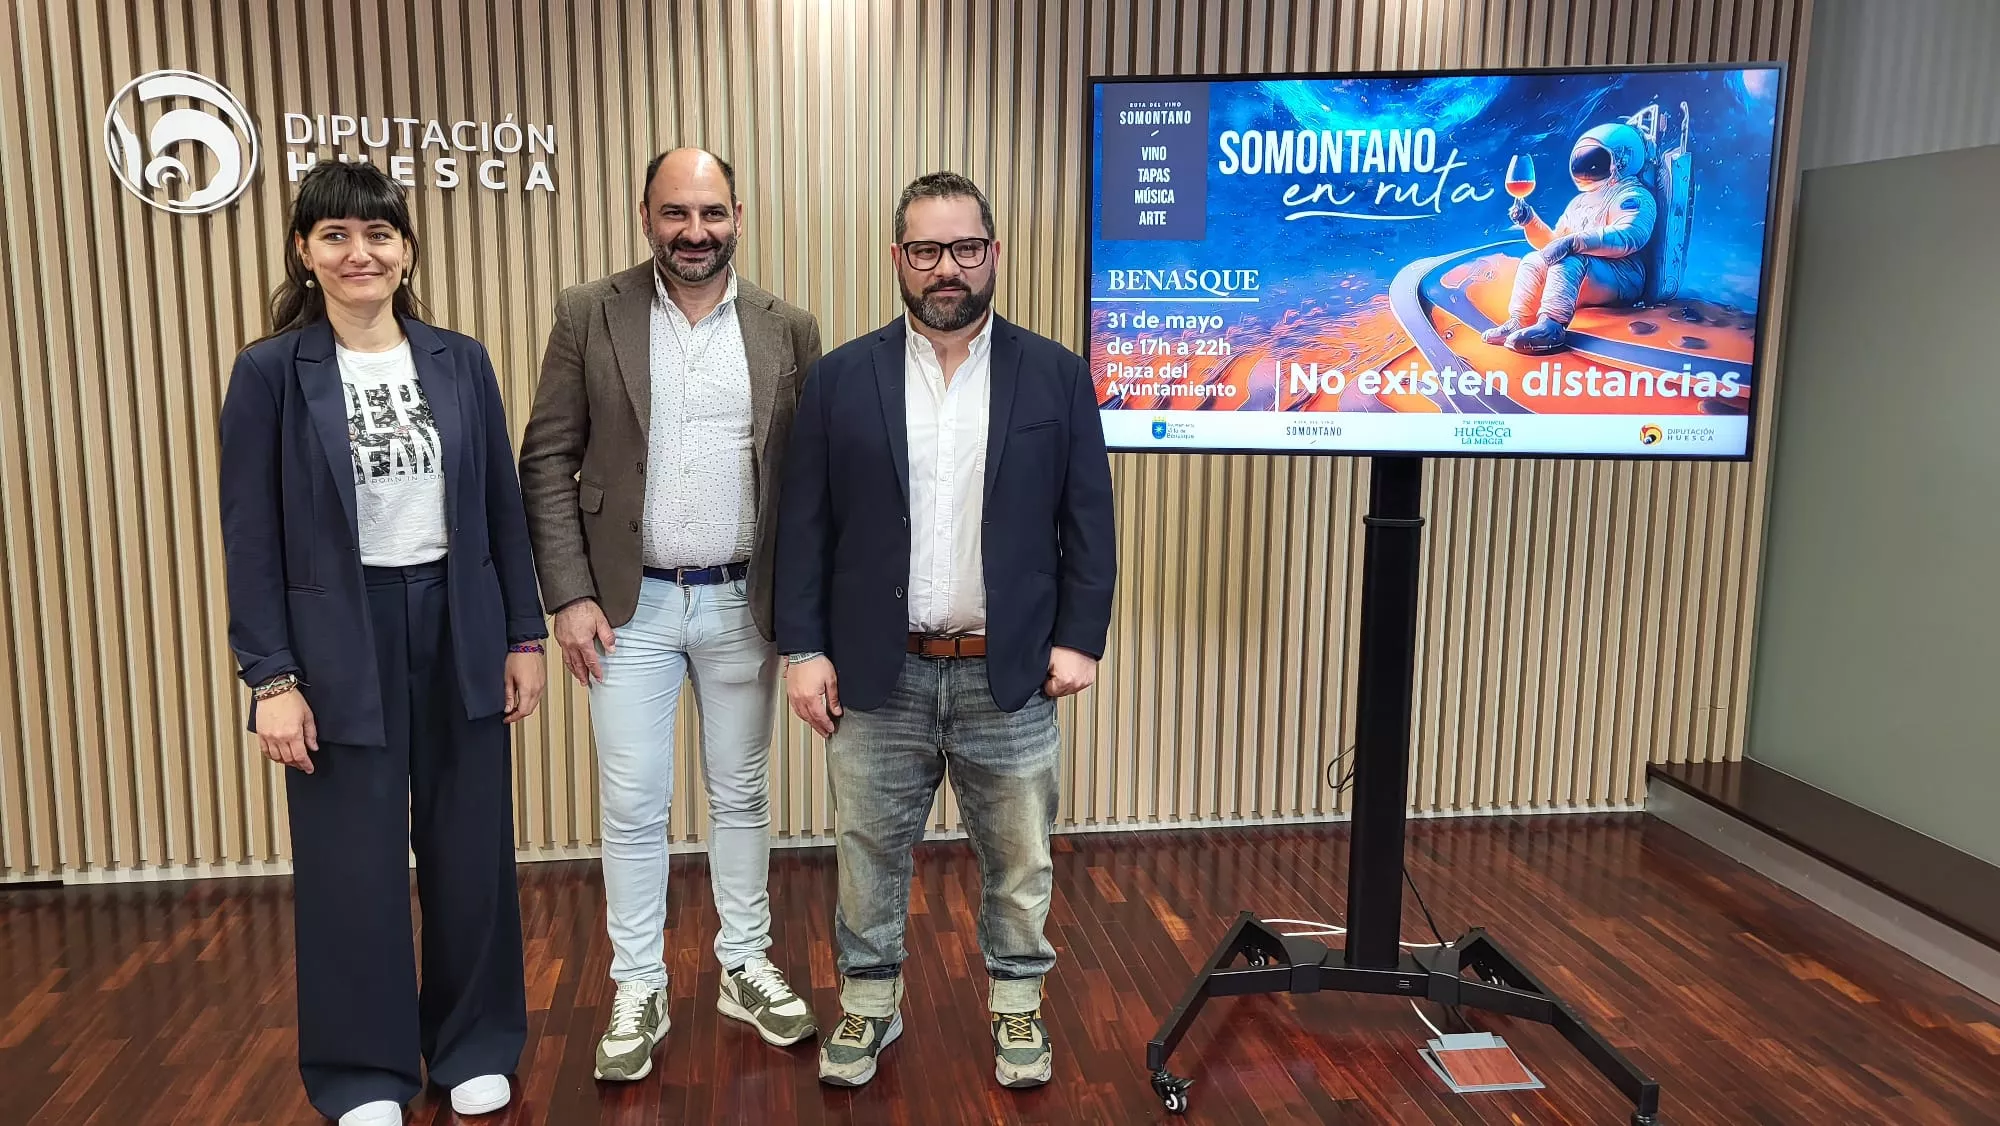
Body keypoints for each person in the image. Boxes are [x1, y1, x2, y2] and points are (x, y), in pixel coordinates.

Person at [216, 159, 547, 1126]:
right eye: (336, 236)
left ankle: (475, 1043)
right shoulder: (272, 373)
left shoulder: (459, 359)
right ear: (304, 252)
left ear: (406, 250)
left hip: (458, 619)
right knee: (349, 860)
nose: (360, 253)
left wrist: (522, 632)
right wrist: (270, 676)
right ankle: (364, 1073)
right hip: (337, 638)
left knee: (470, 846)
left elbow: (501, 510)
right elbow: (251, 539)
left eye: (379, 235)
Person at [776, 171, 1116, 1090]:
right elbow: (804, 528)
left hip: (1005, 675)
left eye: (966, 247)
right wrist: (803, 652)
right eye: (926, 250)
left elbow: (1088, 521)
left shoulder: (1055, 374)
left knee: (1017, 863)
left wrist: (1080, 638)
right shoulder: (842, 378)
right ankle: (870, 1005)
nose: (947, 269)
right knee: (869, 856)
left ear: (993, 253)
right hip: (876, 674)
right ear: (899, 260)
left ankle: (1016, 1010)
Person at [516, 148, 822, 1082]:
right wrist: (567, 595)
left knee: (742, 794)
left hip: (742, 603)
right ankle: (638, 984)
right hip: (628, 607)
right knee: (635, 803)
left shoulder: (788, 328)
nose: (696, 232)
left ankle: (743, 964)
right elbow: (547, 460)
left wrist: (806, 621)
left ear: (741, 214)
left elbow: (809, 484)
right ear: (646, 216)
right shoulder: (588, 311)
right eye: (675, 213)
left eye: (713, 213)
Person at [1484, 121, 1660, 355]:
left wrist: (1575, 242)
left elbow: (1629, 236)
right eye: (1582, 160)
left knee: (1568, 261)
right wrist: (1530, 221)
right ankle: (1520, 320)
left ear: (1622, 160)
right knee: (1533, 260)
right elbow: (1553, 244)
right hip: (1590, 273)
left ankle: (1552, 327)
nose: (1586, 168)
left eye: (1595, 160)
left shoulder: (1632, 195)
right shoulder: (1580, 203)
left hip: (1622, 275)